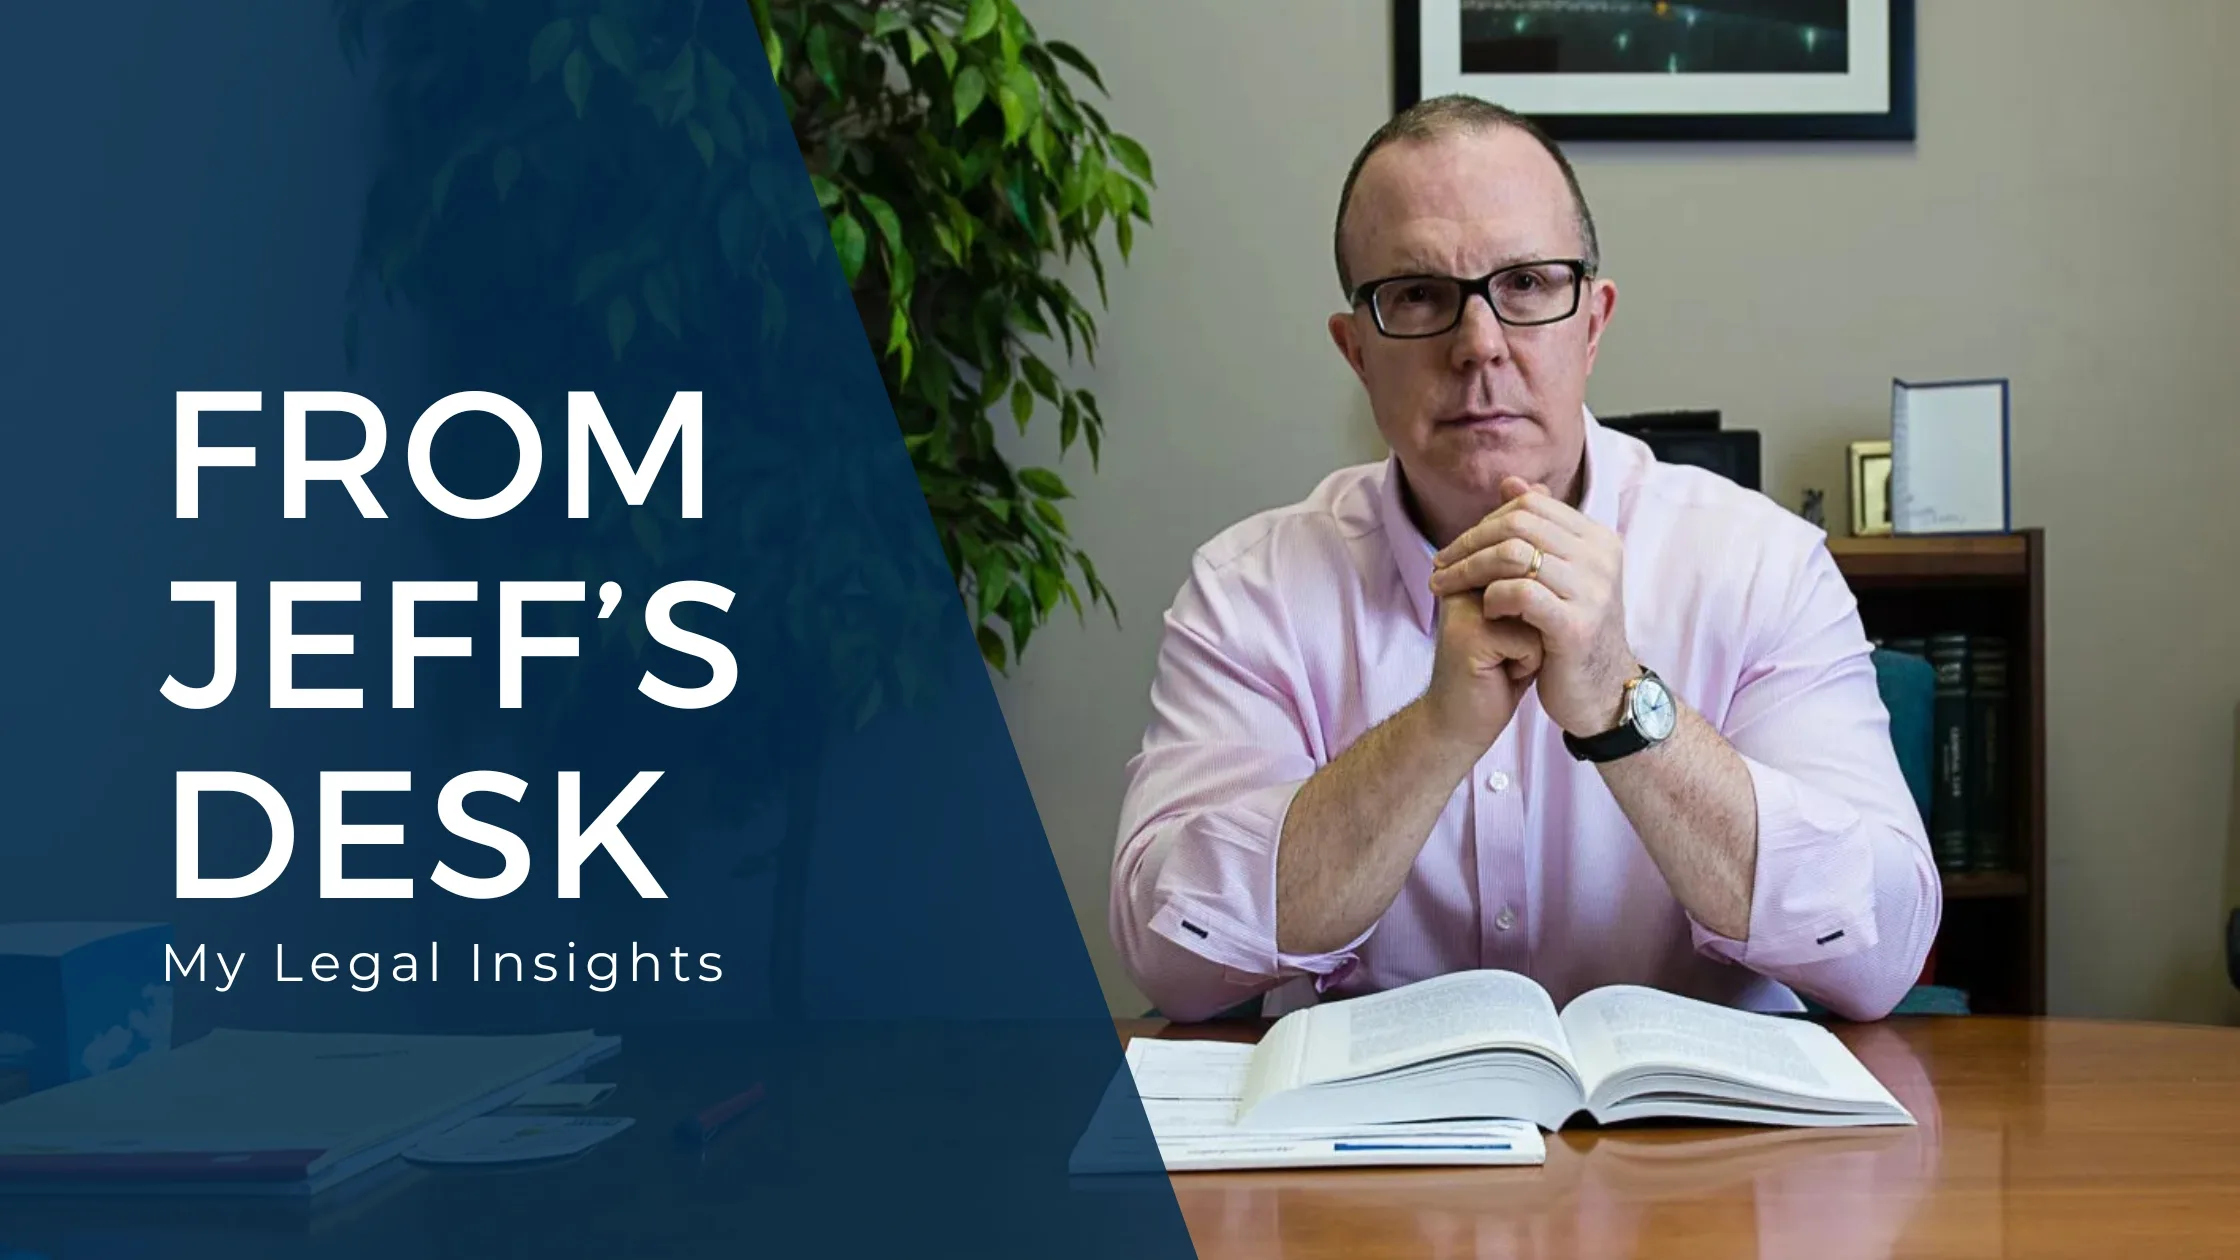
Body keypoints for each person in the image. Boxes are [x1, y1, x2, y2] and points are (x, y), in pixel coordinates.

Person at [1108, 95, 1940, 1024]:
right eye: (1418, 295)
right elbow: (1171, 955)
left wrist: (1625, 707)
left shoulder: (1763, 564)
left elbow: (1881, 953)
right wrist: (1433, 734)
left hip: (1700, 1155)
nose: (1479, 346)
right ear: (1355, 352)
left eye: (1530, 284)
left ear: (1593, 321)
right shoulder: (1247, 590)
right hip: (1362, 1161)